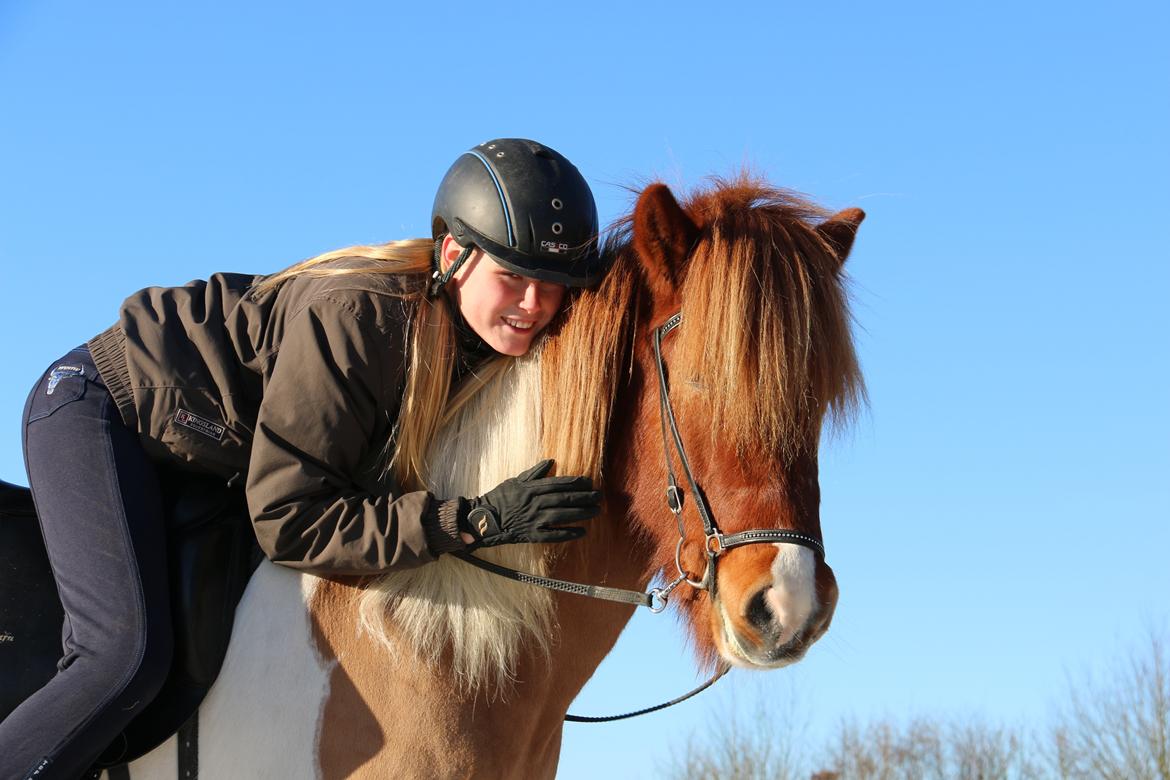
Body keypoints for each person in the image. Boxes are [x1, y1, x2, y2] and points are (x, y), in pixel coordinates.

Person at [0, 138, 605, 780]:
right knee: (122, 655)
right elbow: (290, 519)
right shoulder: (361, 319)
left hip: (215, 462)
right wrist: (471, 522)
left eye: (554, 285)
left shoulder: (476, 342)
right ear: (454, 255)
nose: (534, 305)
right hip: (103, 406)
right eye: (513, 275)